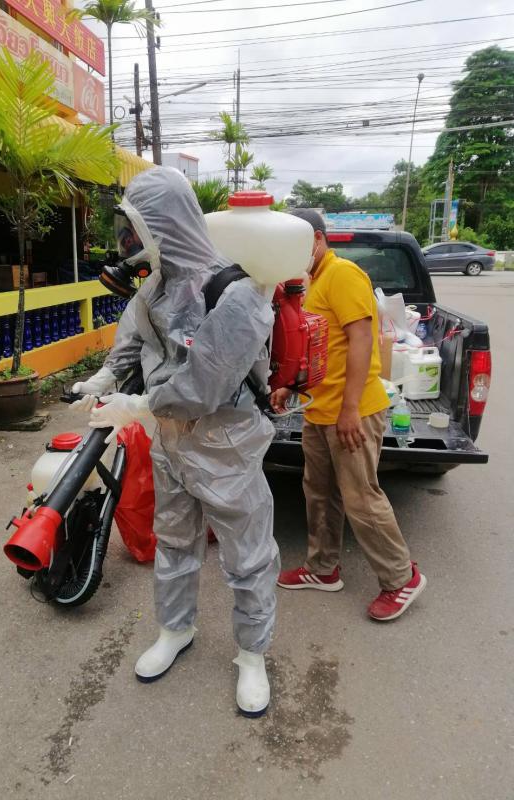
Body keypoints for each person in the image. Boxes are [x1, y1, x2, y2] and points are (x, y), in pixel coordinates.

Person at [72, 167, 281, 716]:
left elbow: (203, 387)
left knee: (248, 555)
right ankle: (175, 629)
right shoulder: (155, 287)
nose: (127, 243)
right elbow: (131, 342)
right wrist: (102, 381)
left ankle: (252, 655)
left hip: (226, 444)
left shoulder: (237, 293)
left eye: (134, 230)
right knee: (173, 541)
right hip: (170, 444)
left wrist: (138, 406)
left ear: (165, 225)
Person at [273, 209, 426, 621]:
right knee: (319, 493)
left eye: (296, 243)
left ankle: (402, 578)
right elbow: (319, 350)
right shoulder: (313, 282)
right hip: (318, 410)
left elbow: (362, 340)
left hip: (351, 410)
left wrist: (351, 409)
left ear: (317, 239)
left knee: (361, 498)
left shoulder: (343, 275)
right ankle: (323, 568)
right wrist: (291, 387)